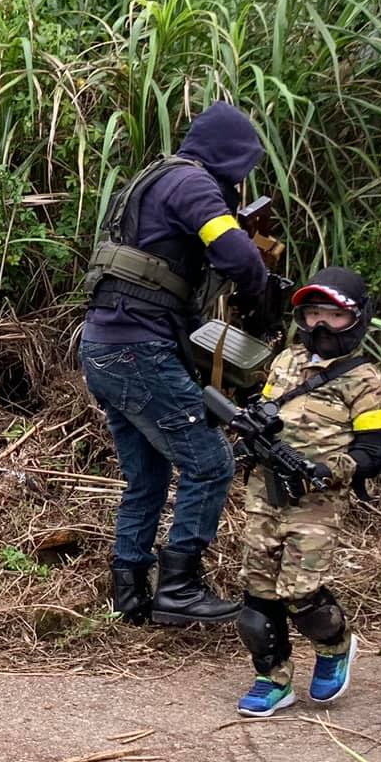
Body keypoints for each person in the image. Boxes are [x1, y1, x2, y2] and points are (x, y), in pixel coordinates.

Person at [79, 102, 280, 628]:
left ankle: (129, 594)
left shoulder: (158, 179)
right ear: (230, 156)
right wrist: (259, 291)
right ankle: (179, 588)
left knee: (146, 478)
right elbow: (235, 253)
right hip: (138, 350)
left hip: (105, 346)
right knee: (211, 463)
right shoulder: (194, 185)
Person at [234, 267, 381, 717]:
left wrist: (325, 470)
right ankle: (272, 678)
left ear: (356, 318)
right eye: (312, 314)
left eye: (334, 315)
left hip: (317, 503)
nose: (321, 324)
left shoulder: (364, 381)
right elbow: (266, 410)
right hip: (264, 491)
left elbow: (374, 452)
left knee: (302, 595)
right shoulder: (286, 362)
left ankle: (334, 648)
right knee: (257, 593)